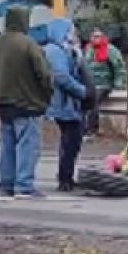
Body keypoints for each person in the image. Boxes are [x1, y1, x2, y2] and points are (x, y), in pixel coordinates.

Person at [0, 6, 53, 198]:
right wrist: (47, 93)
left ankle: (6, 183)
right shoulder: (28, 44)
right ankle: (24, 184)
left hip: (3, 101)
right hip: (27, 103)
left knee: (7, 145)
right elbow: (43, 74)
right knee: (27, 145)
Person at [44, 18, 89, 192]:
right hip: (63, 104)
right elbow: (62, 77)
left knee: (71, 141)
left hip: (67, 104)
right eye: (71, 31)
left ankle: (66, 176)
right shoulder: (55, 52)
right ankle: (65, 178)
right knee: (71, 140)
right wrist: (82, 91)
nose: (74, 35)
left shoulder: (64, 50)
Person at [84, 28, 127, 137]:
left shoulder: (110, 50)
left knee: (93, 101)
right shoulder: (88, 49)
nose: (95, 39)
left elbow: (119, 68)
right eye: (93, 36)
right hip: (90, 83)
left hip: (104, 84)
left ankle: (91, 130)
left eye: (98, 36)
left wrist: (119, 83)